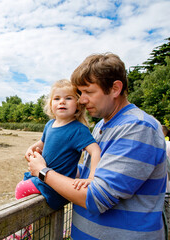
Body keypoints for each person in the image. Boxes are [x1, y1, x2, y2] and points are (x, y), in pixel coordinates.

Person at [27, 53, 167, 239]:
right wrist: (61, 165)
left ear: (115, 89)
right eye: (79, 93)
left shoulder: (138, 127)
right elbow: (91, 175)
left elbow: (96, 197)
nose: (82, 100)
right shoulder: (102, 125)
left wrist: (43, 172)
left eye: (88, 92)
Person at [16, 79, 101, 211]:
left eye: (68, 98)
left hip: (56, 183)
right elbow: (42, 142)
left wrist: (92, 178)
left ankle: (22, 232)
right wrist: (31, 148)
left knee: (21, 188)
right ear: (51, 105)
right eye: (57, 98)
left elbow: (95, 151)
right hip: (43, 177)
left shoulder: (78, 129)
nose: (62, 101)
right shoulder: (49, 125)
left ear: (78, 105)